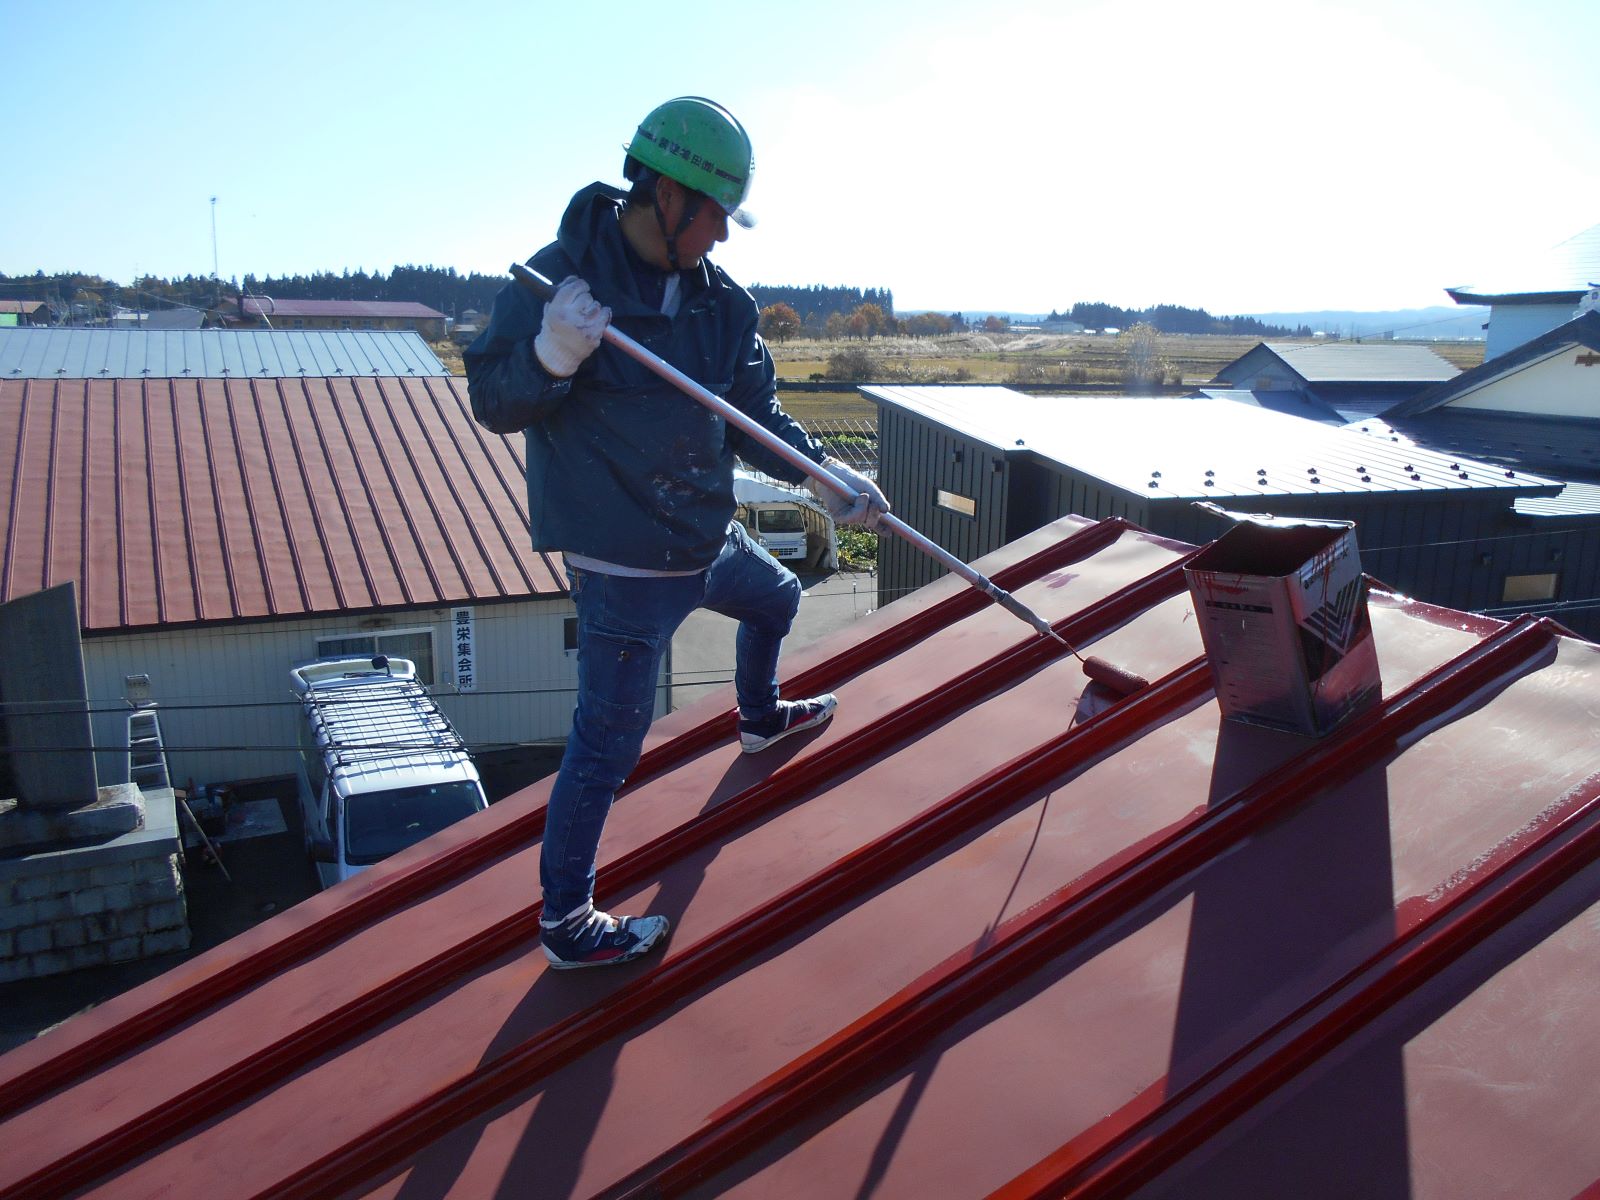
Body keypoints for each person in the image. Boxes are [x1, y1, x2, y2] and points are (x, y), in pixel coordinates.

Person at [465, 97, 889, 970]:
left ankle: (759, 719)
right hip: (622, 568)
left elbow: (754, 417)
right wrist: (550, 357)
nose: (723, 235)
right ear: (666, 194)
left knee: (777, 597)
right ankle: (565, 920)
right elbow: (495, 401)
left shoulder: (720, 304)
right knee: (606, 748)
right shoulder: (560, 286)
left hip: (703, 536)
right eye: (715, 214)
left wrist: (824, 475)